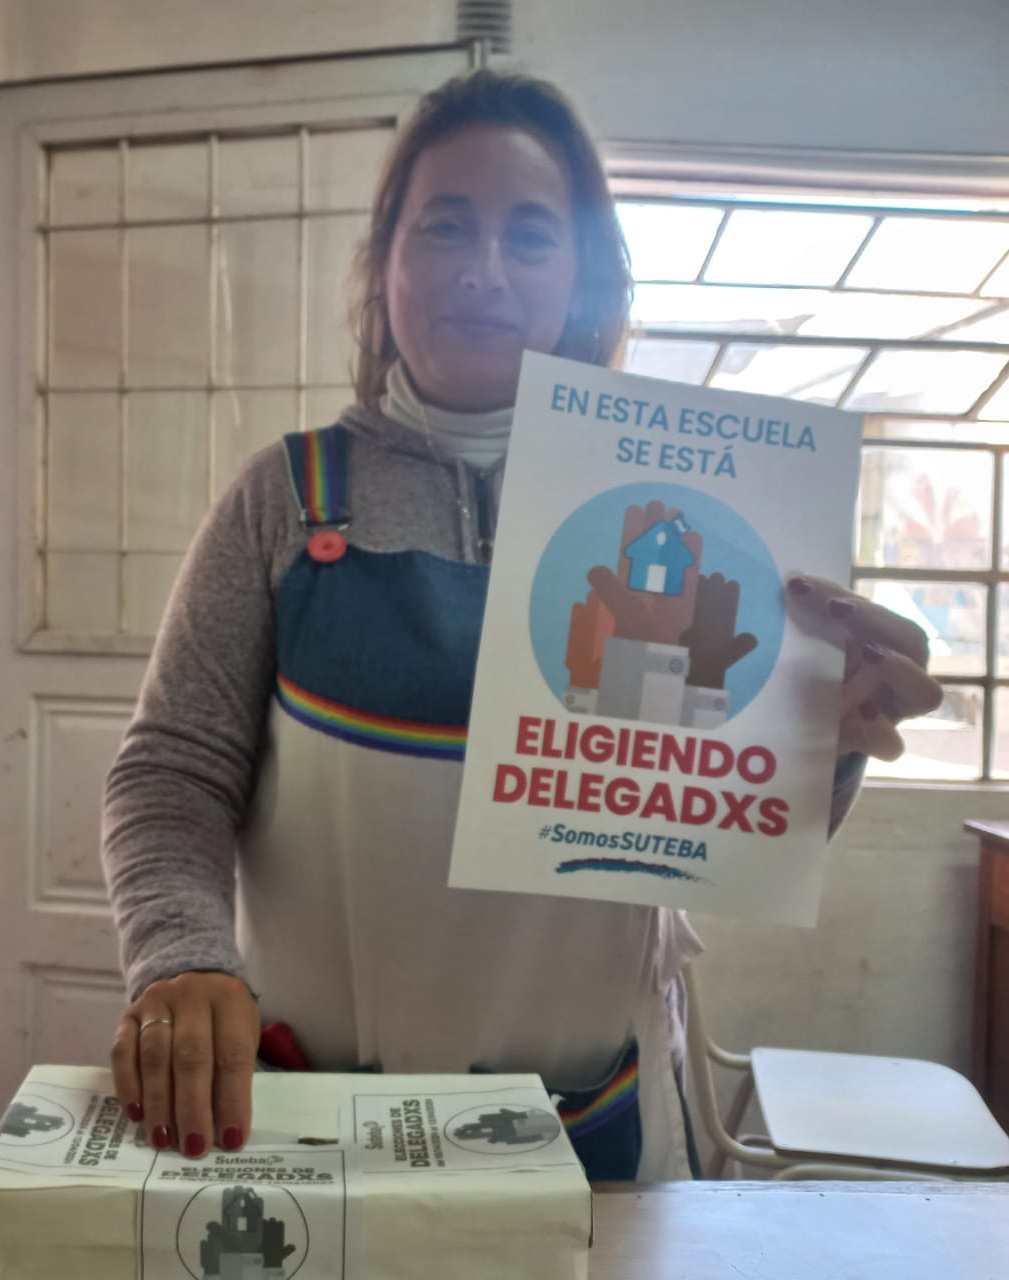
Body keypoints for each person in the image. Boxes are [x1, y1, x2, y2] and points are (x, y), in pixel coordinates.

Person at [102, 70, 942, 1179]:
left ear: (582, 277)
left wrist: (820, 739)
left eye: (531, 236)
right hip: (318, 1119)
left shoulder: (693, 515)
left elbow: (712, 836)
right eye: (445, 225)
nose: (483, 269)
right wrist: (180, 955)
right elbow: (170, 771)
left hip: (588, 1127)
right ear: (383, 261)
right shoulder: (288, 498)